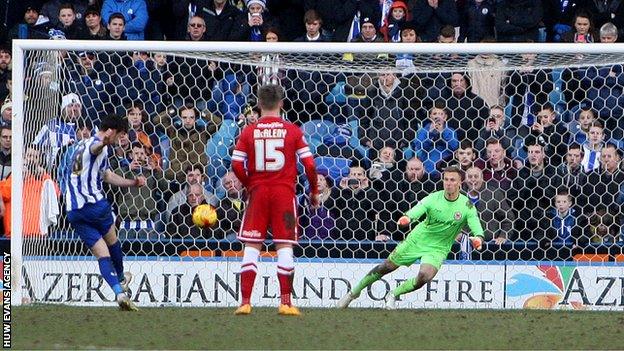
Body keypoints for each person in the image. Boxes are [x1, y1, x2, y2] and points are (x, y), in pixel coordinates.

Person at [337, 166, 484, 309]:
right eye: (446, 179)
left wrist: (478, 238)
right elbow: (417, 210)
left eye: (453, 180)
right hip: (417, 240)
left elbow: (476, 226)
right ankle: (353, 293)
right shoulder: (433, 198)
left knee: (425, 276)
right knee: (386, 267)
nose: (449, 183)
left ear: (460, 182)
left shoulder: (467, 205)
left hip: (439, 247)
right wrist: (407, 218)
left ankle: (393, 294)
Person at [231, 84, 319, 316]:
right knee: (284, 246)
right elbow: (309, 164)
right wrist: (313, 192)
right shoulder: (293, 131)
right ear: (281, 103)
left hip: (258, 194)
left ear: (259, 105)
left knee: (251, 246)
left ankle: (245, 302)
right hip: (284, 194)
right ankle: (285, 303)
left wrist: (250, 183)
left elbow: (236, 164)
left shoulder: (249, 131)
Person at [64, 114, 146, 311]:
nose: (118, 139)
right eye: (119, 135)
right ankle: (120, 276)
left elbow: (107, 175)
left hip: (74, 211)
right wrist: (104, 142)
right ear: (112, 131)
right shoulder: (98, 145)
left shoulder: (79, 145)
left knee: (102, 255)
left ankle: (119, 293)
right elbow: (95, 149)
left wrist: (132, 183)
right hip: (94, 206)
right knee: (112, 241)